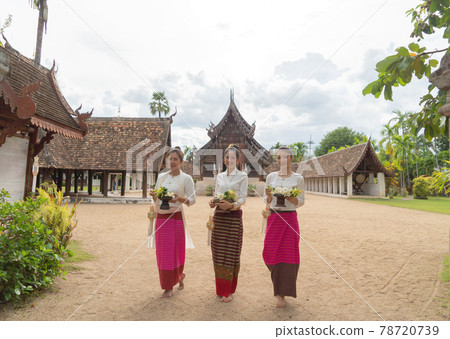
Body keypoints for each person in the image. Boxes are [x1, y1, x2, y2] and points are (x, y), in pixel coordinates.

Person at [149, 147, 196, 298]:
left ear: (181, 161)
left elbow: (192, 200)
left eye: (176, 159)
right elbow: (156, 198)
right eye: (170, 159)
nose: (173, 161)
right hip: (161, 218)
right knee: (163, 254)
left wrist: (179, 199)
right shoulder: (161, 177)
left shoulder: (187, 179)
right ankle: (168, 285)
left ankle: (178, 276)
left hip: (175, 218)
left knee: (175, 252)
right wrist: (153, 195)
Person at [263, 146, 305, 308]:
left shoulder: (298, 178)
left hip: (290, 218)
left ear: (291, 159)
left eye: (285, 157)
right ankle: (279, 288)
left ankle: (281, 294)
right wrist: (268, 195)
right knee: (270, 253)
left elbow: (301, 202)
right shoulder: (271, 177)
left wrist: (292, 198)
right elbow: (267, 201)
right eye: (279, 157)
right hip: (274, 218)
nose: (282, 160)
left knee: (288, 256)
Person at [208, 144, 248, 302]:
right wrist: (213, 201)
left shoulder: (242, 176)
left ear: (238, 160)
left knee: (231, 254)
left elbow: (243, 198)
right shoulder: (219, 176)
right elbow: (217, 194)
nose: (229, 160)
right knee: (217, 253)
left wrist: (231, 205)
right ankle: (220, 288)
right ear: (224, 159)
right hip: (219, 217)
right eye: (227, 157)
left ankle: (229, 291)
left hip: (233, 218)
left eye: (233, 157)